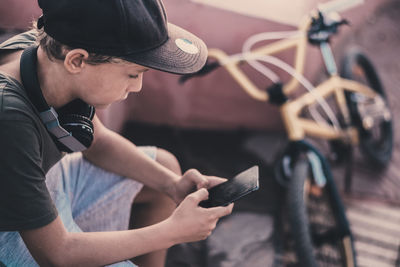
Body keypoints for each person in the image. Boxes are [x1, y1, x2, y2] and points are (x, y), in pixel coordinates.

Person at [0, 0, 233, 266]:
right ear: (77, 61)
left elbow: (97, 143)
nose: (137, 87)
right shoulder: (9, 118)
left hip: (47, 179)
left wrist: (172, 185)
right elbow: (59, 254)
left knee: (164, 167)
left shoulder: (52, 54)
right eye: (133, 74)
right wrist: (172, 232)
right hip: (13, 230)